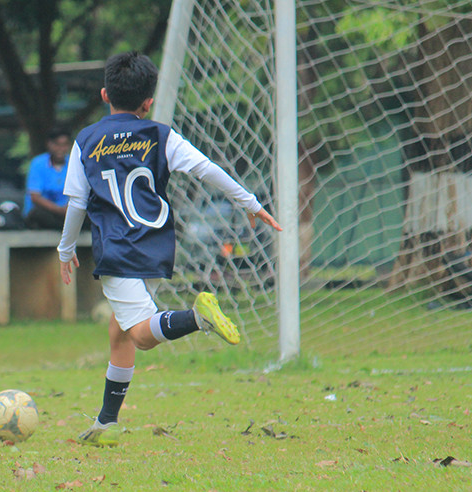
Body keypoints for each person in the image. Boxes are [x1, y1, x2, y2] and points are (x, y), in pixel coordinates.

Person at [58, 51, 282, 446]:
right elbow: (206, 169)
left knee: (141, 335)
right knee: (120, 331)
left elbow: (76, 203)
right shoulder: (161, 135)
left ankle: (197, 317)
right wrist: (249, 202)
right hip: (157, 247)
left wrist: (64, 251)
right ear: (148, 102)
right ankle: (106, 423)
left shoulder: (86, 140)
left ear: (104, 93)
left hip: (118, 251)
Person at [24, 127, 72, 230]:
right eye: (57, 144)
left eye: (64, 145)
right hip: (47, 212)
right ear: (49, 144)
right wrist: (59, 210)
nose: (60, 149)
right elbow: (35, 196)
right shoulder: (38, 163)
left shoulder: (74, 163)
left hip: (67, 214)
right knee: (38, 215)